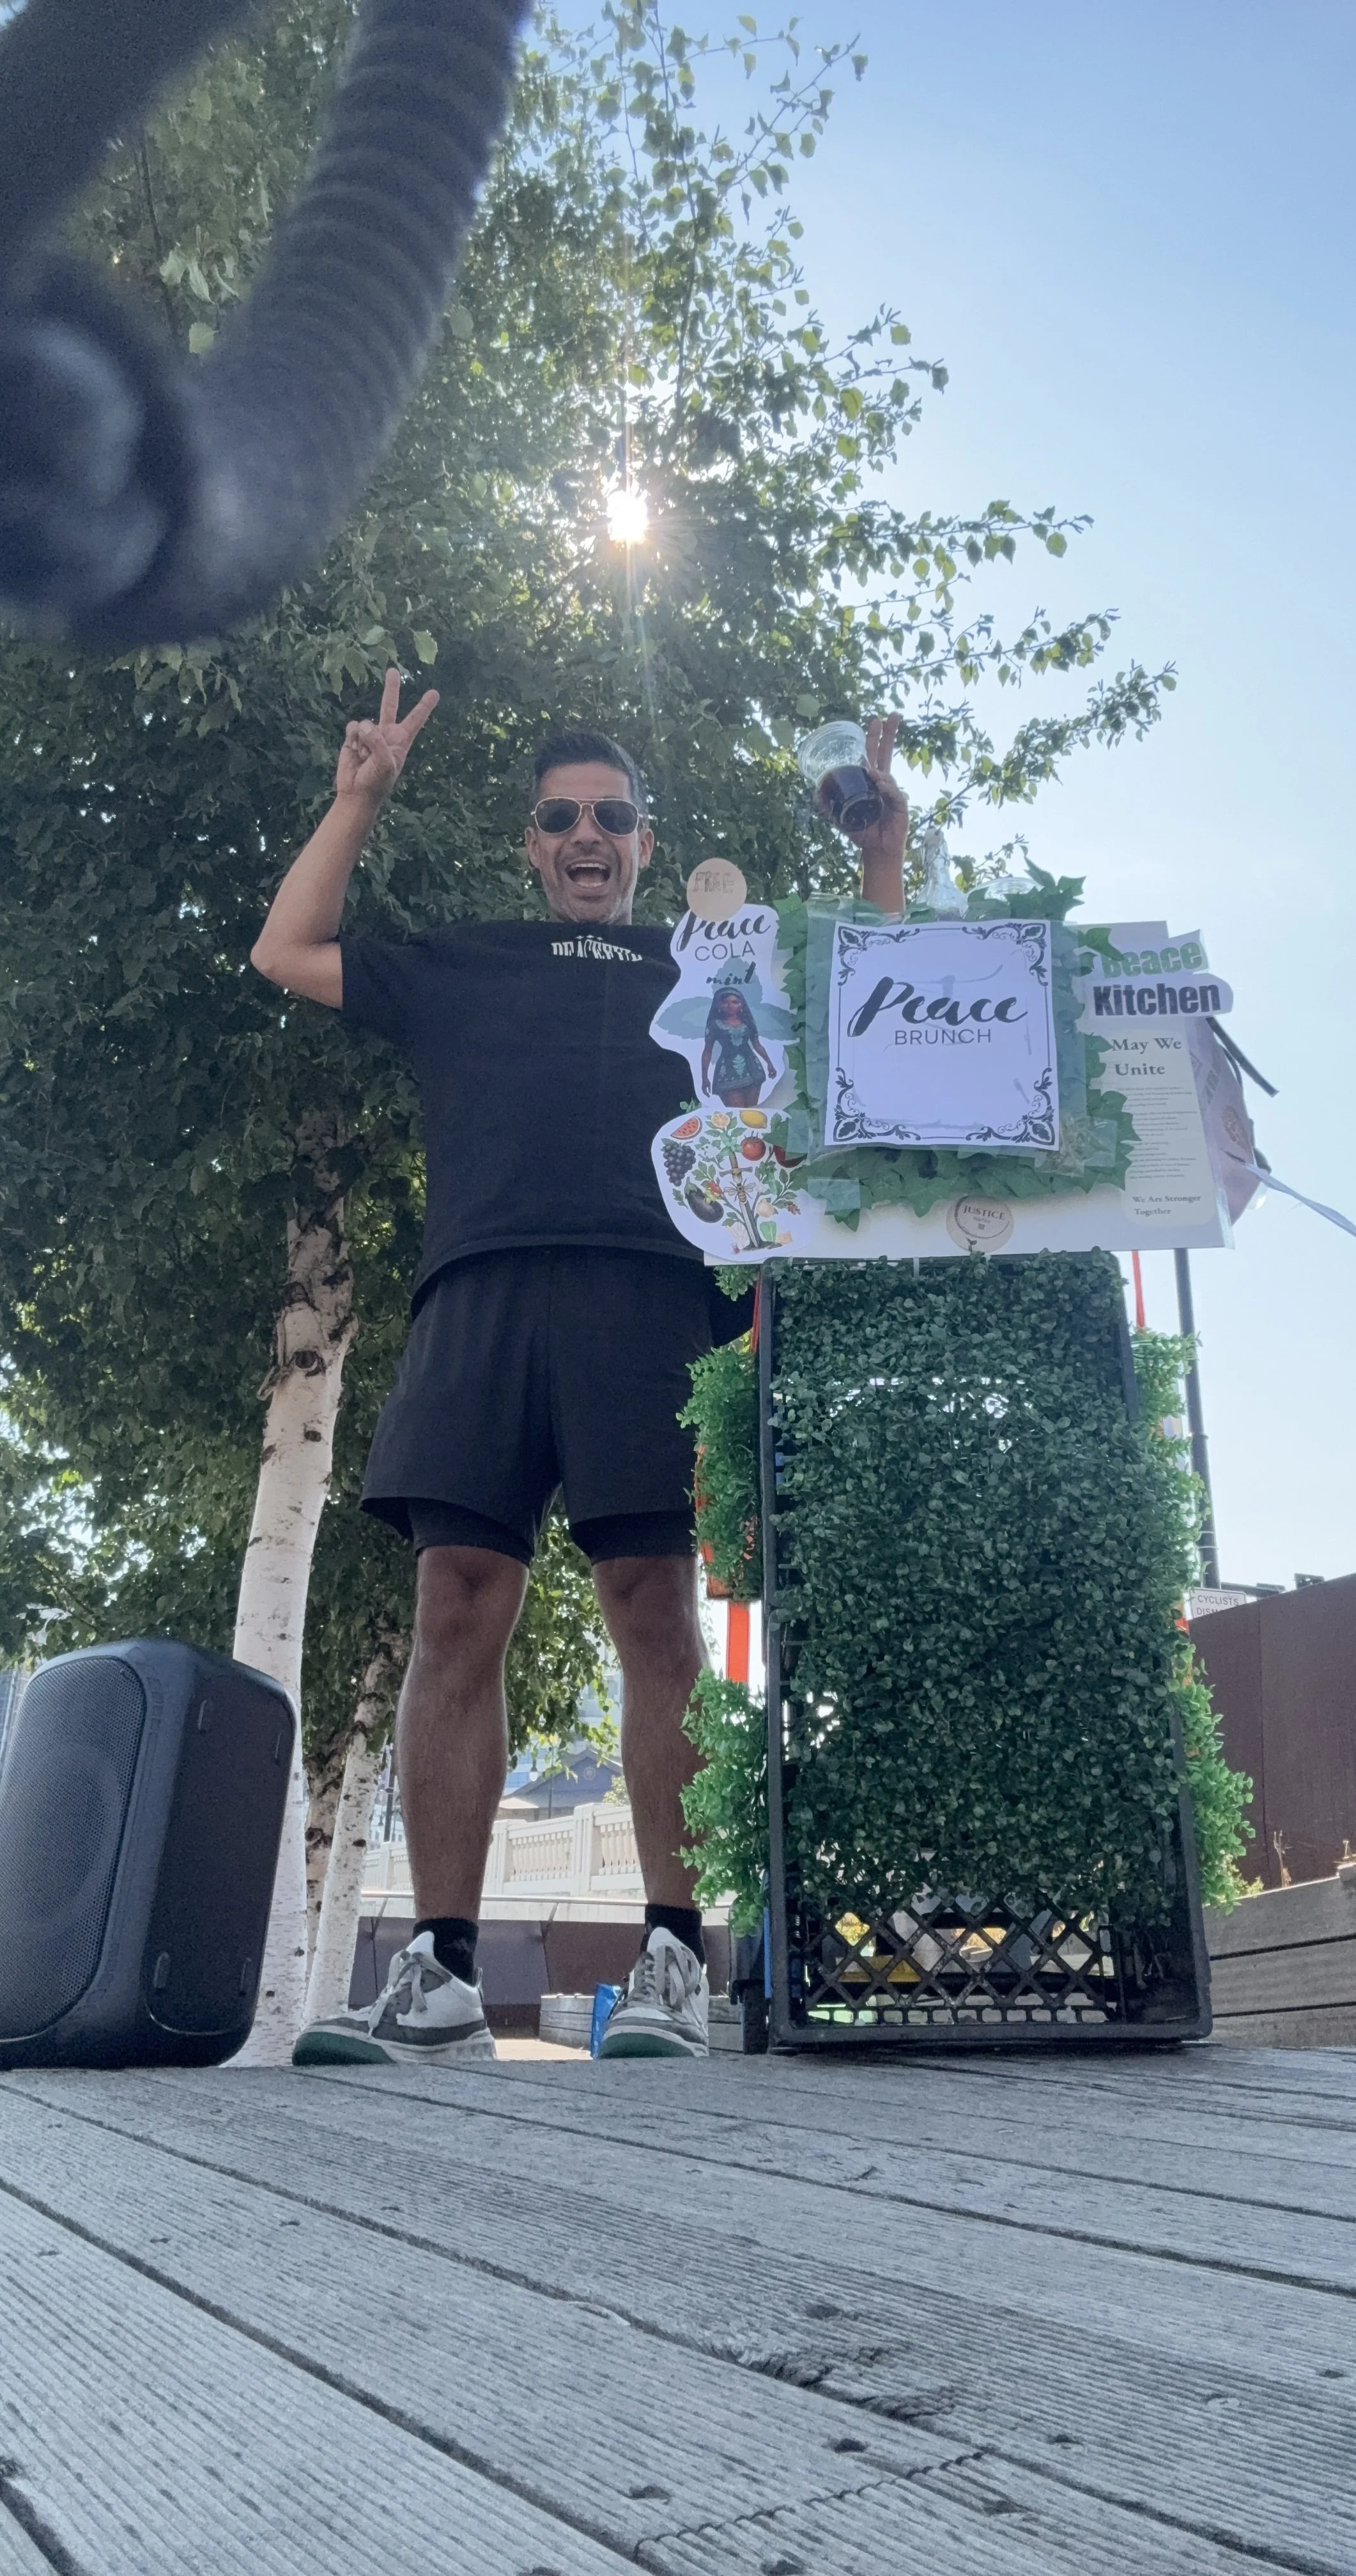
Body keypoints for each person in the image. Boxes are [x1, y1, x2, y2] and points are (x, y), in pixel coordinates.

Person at [250, 677, 906, 2064]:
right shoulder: (465, 960)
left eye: (613, 816)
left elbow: (870, 1020)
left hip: (654, 1297)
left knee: (651, 1605)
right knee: (457, 1605)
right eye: (561, 819)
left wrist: (879, 855)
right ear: (533, 845)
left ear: (648, 844)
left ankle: (675, 1958)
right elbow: (286, 947)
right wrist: (360, 790)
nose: (588, 834)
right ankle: (435, 1975)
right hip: (479, 1295)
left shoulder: (711, 970)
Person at [700, 981, 778, 1108]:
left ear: (742, 1005)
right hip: (727, 1074)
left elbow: (757, 1045)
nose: (730, 1005)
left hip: (753, 1070)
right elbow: (707, 1051)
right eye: (725, 1002)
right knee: (737, 1114)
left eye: (735, 1002)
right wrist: (704, 1078)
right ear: (718, 1005)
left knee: (752, 1113)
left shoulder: (748, 1023)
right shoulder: (714, 1026)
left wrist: (769, 1063)